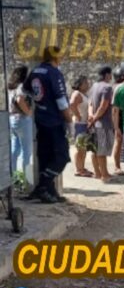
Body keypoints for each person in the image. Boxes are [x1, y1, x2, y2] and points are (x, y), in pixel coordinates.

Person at [22, 46, 72, 203]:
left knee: (45, 156)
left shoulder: (36, 71)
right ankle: (42, 187)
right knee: (62, 157)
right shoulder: (54, 73)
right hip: (54, 121)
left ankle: (50, 193)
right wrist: (69, 120)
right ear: (56, 57)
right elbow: (61, 100)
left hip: (41, 120)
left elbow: (26, 90)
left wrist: (40, 103)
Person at [87, 66, 116, 183]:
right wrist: (95, 118)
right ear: (107, 75)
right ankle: (104, 175)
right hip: (103, 123)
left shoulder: (94, 86)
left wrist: (91, 117)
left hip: (94, 123)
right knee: (102, 150)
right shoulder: (107, 87)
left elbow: (90, 104)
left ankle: (98, 173)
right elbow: (104, 106)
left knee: (95, 149)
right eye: (110, 74)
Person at [8, 66, 34, 180]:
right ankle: (27, 180)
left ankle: (13, 178)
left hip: (13, 119)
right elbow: (19, 99)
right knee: (26, 152)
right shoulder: (21, 87)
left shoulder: (11, 87)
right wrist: (28, 112)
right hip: (22, 119)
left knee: (15, 149)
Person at [69, 76, 94, 177]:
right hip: (79, 124)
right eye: (85, 83)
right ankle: (79, 169)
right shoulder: (77, 94)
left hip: (83, 124)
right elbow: (71, 104)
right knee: (80, 148)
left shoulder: (84, 94)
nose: (87, 84)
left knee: (83, 147)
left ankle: (81, 168)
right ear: (79, 85)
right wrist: (78, 115)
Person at [111, 67, 124, 177]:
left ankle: (120, 166)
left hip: (119, 117)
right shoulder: (120, 87)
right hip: (120, 117)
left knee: (120, 142)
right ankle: (117, 166)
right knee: (119, 141)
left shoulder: (114, 87)